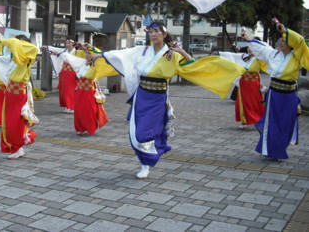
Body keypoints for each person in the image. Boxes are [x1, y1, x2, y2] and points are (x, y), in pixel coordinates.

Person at [91, 21, 245, 179]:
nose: (153, 34)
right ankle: (146, 160)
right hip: (142, 96)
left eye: (157, 31)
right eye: (151, 31)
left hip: (158, 98)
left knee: (147, 132)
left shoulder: (172, 54)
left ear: (164, 34)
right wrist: (97, 55)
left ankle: (146, 163)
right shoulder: (142, 51)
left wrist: (181, 51)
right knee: (136, 134)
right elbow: (120, 54)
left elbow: (192, 65)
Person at [241, 21, 309, 160]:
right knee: (271, 122)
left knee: (286, 123)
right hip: (274, 94)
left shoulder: (297, 55)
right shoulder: (272, 54)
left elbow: (300, 40)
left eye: (284, 40)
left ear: (291, 43)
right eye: (279, 40)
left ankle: (279, 147)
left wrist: (284, 30)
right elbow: (259, 48)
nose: (280, 42)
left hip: (289, 94)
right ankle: (271, 150)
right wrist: (247, 37)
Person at [0, 35, 39, 159]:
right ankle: (15, 146)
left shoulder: (27, 56)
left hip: (19, 93)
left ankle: (18, 147)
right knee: (9, 121)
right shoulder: (16, 58)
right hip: (11, 92)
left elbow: (31, 48)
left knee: (16, 122)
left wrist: (5, 41)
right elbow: (2, 59)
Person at [55, 42, 118, 136]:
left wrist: (92, 47)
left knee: (88, 111)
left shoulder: (97, 64)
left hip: (89, 91)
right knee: (79, 111)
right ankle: (80, 128)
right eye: (86, 53)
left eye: (89, 53)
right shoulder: (83, 62)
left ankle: (90, 127)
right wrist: (58, 53)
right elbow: (70, 58)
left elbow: (103, 57)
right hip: (79, 90)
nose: (87, 55)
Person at [215, 46, 268, 128]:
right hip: (243, 83)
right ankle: (244, 121)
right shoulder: (243, 57)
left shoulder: (259, 59)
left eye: (252, 48)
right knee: (243, 102)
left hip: (254, 84)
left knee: (255, 102)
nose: (250, 49)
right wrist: (219, 53)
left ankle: (258, 119)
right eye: (249, 48)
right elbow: (232, 55)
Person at [44, 39, 79, 114]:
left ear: (73, 44)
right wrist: (46, 47)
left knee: (71, 90)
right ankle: (67, 106)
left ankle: (72, 107)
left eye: (69, 43)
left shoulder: (77, 52)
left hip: (72, 72)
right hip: (64, 72)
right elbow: (55, 49)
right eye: (66, 42)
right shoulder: (64, 50)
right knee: (64, 90)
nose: (67, 44)